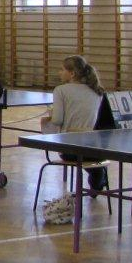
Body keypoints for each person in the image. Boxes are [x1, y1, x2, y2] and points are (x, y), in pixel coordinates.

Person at [40, 55, 108, 192]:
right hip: (94, 149)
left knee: (48, 127)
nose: (59, 72)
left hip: (69, 149)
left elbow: (57, 120)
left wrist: (49, 117)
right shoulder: (97, 91)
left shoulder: (61, 90)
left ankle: (97, 176)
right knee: (87, 156)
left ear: (72, 73)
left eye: (62, 69)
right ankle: (97, 175)